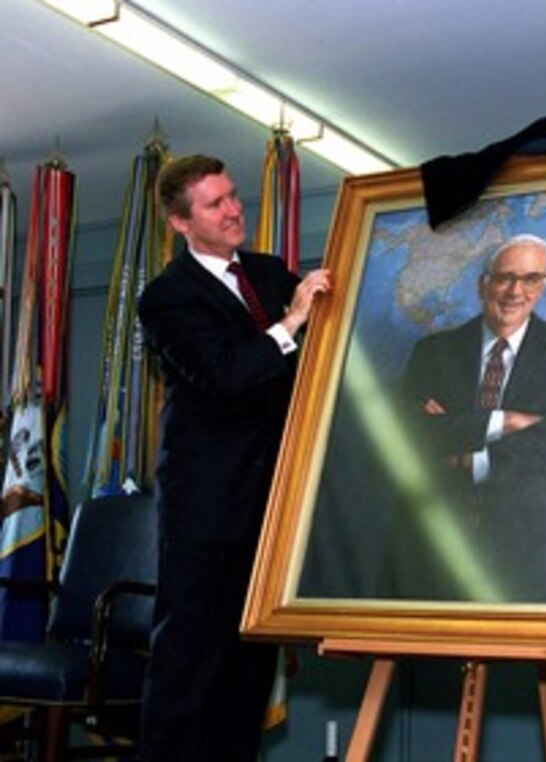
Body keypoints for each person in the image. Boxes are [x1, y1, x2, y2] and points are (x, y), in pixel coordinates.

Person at [137, 154, 330, 761]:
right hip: (206, 506)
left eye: (234, 195)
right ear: (181, 223)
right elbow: (224, 375)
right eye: (215, 203)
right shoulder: (167, 297)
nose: (234, 208)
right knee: (189, 662)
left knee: (249, 667)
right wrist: (292, 321)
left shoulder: (271, 273)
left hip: (272, 505)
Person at [388, 233, 546, 603]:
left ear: (544, 284)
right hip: (433, 537)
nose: (515, 291)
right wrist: (503, 422)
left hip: (529, 545)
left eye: (531, 279)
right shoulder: (435, 351)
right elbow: (407, 433)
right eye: (505, 277)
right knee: (421, 651)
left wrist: (470, 460)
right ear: (483, 283)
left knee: (520, 655)